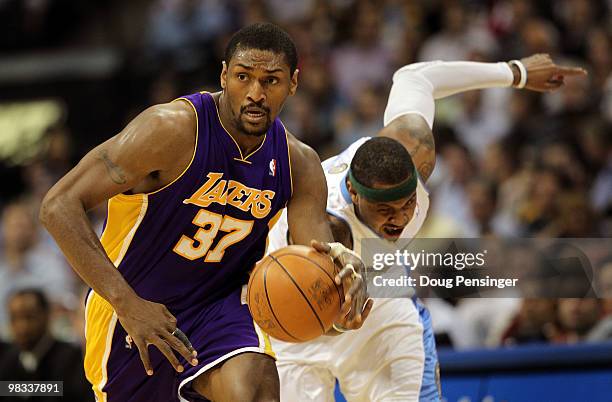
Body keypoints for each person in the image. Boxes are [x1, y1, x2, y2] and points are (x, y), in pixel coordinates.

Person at [39, 23, 370, 402]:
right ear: (224, 75)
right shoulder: (172, 129)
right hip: (133, 307)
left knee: (258, 381)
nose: (256, 94)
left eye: (272, 81)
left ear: (293, 83)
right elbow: (57, 206)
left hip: (221, 311)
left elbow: (311, 294)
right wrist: (127, 303)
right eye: (244, 77)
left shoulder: (300, 164)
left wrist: (340, 308)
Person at [267, 54, 586, 401]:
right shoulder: (322, 223)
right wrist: (339, 321)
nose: (400, 219)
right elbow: (316, 308)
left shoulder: (414, 147)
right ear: (355, 195)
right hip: (297, 312)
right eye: (385, 209)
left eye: (407, 204)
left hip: (382, 293)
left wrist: (515, 73)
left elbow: (415, 76)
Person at [0, 288, 92, 402]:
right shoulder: (6, 358)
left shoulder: (70, 358)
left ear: (47, 315)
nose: (22, 327)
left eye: (29, 317)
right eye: (14, 318)